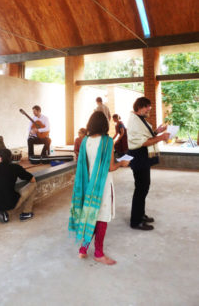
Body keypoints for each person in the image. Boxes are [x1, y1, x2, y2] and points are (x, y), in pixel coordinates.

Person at [69, 111, 129, 265]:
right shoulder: (107, 141)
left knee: (90, 215)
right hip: (101, 186)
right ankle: (98, 253)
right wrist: (122, 163)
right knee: (102, 218)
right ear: (104, 125)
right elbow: (110, 167)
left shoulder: (85, 141)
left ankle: (83, 249)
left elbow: (83, 165)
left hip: (87, 185)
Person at [127, 97, 170, 231]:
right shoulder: (134, 121)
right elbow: (142, 142)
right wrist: (161, 138)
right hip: (139, 158)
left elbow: (146, 136)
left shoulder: (139, 119)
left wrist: (157, 131)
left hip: (142, 158)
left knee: (144, 187)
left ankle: (141, 214)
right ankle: (136, 221)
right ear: (139, 107)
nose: (149, 109)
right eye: (147, 107)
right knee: (141, 189)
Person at [0, 148, 37, 223]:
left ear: (0, 158)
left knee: (4, 195)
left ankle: (5, 213)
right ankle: (26, 213)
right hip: (12, 203)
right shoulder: (15, 167)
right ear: (11, 158)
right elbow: (32, 180)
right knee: (34, 185)